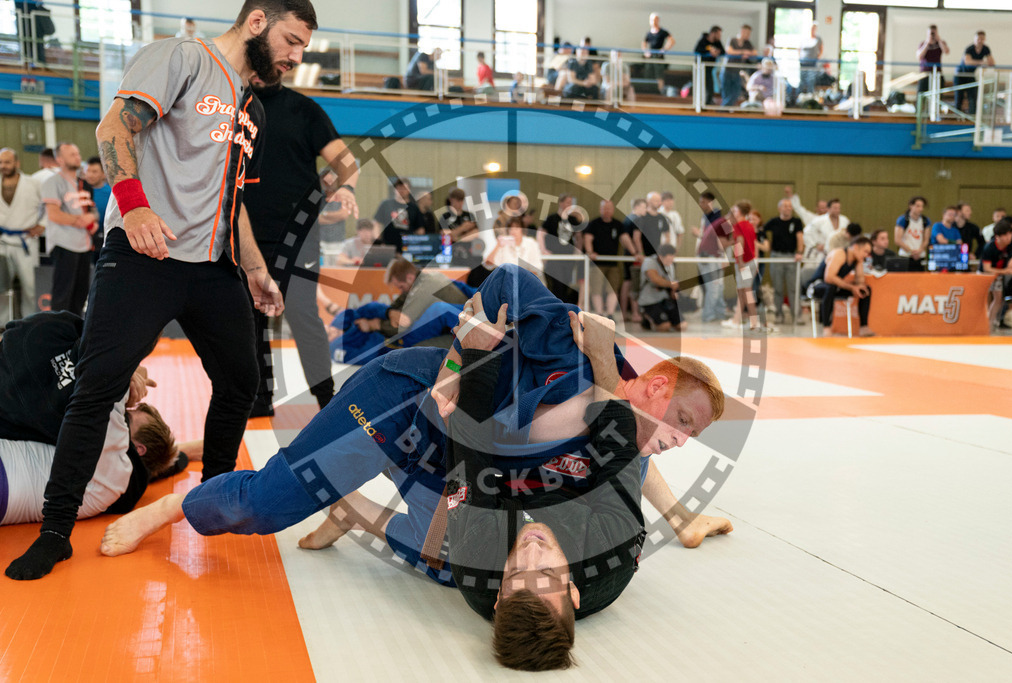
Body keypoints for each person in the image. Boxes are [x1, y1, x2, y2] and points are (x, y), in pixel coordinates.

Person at [98, 266, 730, 582]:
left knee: (458, 563)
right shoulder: (577, 342)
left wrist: (682, 520)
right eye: (680, 420)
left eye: (689, 436)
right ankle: (176, 507)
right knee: (261, 510)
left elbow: (633, 470)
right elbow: (507, 276)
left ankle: (349, 513)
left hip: (444, 458)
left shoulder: (624, 427)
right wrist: (457, 367)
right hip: (397, 409)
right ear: (653, 385)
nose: (677, 439)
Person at [5, 0, 316, 582]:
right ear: (258, 22)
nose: (296, 58)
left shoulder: (255, 110)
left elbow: (234, 202)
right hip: (145, 255)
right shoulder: (180, 58)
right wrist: (135, 206)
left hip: (213, 268)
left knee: (242, 383)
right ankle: (55, 530)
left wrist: (253, 269)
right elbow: (113, 127)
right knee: (96, 389)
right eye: (293, 41)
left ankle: (214, 502)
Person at [447, 306, 642, 670]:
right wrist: (602, 354)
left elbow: (467, 449)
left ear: (497, 596)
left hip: (500, 469)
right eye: (548, 573)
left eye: (518, 573)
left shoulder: (475, 559)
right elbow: (620, 451)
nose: (532, 551)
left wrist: (474, 354)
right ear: (574, 592)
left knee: (434, 389)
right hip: (585, 467)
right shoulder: (609, 553)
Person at [244, 80, 359, 416]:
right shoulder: (234, 104)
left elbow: (346, 161)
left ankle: (327, 399)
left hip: (298, 234)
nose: (290, 59)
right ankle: (260, 398)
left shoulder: (304, 109)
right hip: (245, 231)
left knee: (303, 315)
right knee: (251, 319)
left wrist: (347, 188)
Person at [0, 311, 180, 526]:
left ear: (138, 449)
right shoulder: (109, 475)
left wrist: (125, 373)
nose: (123, 411)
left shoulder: (115, 471)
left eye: (126, 418)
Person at [40, 142, 98, 316]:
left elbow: (93, 210)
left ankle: (74, 335)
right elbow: (54, 215)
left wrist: (91, 218)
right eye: (72, 154)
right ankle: (56, 336)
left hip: (85, 244)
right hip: (64, 244)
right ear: (60, 159)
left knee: (80, 296)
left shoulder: (84, 183)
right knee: (62, 295)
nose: (77, 157)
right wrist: (79, 220)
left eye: (78, 153)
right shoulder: (52, 182)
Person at [0, 148, 44, 323]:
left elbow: (50, 205)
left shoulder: (33, 183)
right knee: (1, 287)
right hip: (2, 242)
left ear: (17, 163)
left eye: (7, 162)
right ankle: (2, 325)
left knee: (30, 288)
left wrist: (43, 225)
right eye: (1, 162)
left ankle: (30, 323)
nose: (3, 166)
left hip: (26, 241)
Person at [820, 236, 873, 337]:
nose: (866, 255)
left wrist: (859, 286)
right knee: (830, 287)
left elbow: (860, 281)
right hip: (818, 284)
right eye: (865, 252)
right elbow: (829, 277)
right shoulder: (839, 253)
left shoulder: (857, 259)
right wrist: (852, 287)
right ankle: (826, 327)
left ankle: (864, 327)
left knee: (866, 289)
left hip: (835, 286)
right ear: (856, 247)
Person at [691, 191, 731, 323]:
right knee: (713, 288)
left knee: (719, 287)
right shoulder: (723, 223)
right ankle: (708, 316)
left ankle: (719, 313)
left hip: (712, 257)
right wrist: (725, 258)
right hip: (709, 257)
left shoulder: (719, 219)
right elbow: (722, 243)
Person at [582, 199, 627, 317]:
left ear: (612, 210)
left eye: (609, 208)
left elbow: (625, 239)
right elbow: (588, 239)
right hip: (597, 263)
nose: (607, 211)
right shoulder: (594, 224)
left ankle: (610, 314)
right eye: (604, 208)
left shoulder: (618, 225)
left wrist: (636, 252)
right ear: (600, 209)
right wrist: (590, 252)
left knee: (612, 288)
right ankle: (599, 313)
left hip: (613, 263)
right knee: (596, 288)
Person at [722, 201, 761, 332]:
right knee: (745, 291)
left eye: (735, 210)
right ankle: (744, 319)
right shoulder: (749, 225)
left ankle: (746, 320)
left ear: (739, 212)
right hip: (751, 261)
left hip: (745, 262)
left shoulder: (739, 225)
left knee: (745, 291)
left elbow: (740, 242)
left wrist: (740, 261)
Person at [764, 198, 804, 325]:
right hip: (777, 256)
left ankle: (796, 315)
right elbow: (762, 231)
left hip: (791, 257)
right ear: (780, 208)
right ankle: (778, 314)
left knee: (793, 288)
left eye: (789, 206)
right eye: (785, 206)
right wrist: (767, 244)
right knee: (778, 288)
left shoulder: (796, 222)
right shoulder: (774, 222)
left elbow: (800, 238)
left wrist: (799, 252)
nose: (787, 208)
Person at [538, 193, 580, 305]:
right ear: (561, 203)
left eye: (571, 203)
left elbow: (579, 237)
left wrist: (578, 250)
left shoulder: (573, 219)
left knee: (566, 283)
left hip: (568, 258)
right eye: (567, 202)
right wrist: (543, 250)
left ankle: (563, 308)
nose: (569, 205)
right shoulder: (551, 219)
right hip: (554, 258)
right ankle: (558, 307)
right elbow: (540, 233)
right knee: (557, 284)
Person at [980, 219, 1012, 329]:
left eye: (1010, 234)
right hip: (985, 275)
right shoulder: (989, 248)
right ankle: (984, 324)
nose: (1009, 237)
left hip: (999, 275)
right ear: (998, 237)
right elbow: (986, 269)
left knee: (998, 298)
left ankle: (990, 324)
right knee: (984, 299)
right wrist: (1005, 271)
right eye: (1005, 235)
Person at [639, 244, 685, 332]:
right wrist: (671, 284)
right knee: (664, 326)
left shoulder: (670, 266)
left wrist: (673, 291)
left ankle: (667, 320)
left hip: (664, 299)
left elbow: (672, 283)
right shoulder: (649, 261)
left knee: (682, 325)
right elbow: (655, 279)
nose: (673, 258)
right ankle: (647, 319)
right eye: (671, 255)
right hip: (650, 301)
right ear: (662, 256)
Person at [803, 199, 848, 286]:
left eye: (839, 208)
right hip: (822, 254)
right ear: (828, 208)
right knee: (820, 277)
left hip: (839, 254)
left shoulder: (844, 220)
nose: (837, 210)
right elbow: (807, 233)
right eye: (835, 208)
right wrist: (815, 245)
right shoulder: (819, 220)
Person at [374, 177, 424, 251]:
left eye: (404, 188)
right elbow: (377, 224)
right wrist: (378, 242)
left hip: (407, 247)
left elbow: (420, 229)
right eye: (399, 188)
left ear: (409, 190)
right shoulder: (386, 204)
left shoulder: (414, 208)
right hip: (388, 245)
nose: (401, 191)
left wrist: (417, 244)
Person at [953, 31, 994, 114]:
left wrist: (981, 62)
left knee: (973, 97)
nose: (980, 41)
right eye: (978, 38)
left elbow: (991, 62)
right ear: (975, 39)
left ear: (984, 39)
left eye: (982, 39)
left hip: (970, 75)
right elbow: (967, 61)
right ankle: (956, 117)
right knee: (959, 97)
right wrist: (982, 62)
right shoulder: (969, 49)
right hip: (960, 75)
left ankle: (972, 117)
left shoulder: (986, 49)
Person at [722, 25, 757, 107]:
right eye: (747, 33)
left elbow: (755, 53)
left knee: (736, 92)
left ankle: (723, 109)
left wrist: (744, 52)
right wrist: (743, 52)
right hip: (728, 70)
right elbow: (729, 51)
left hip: (738, 71)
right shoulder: (732, 40)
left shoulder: (747, 43)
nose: (749, 35)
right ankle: (724, 110)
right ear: (742, 31)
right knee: (726, 93)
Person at [82, 156, 111, 254]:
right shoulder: (78, 191)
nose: (90, 175)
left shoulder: (111, 193)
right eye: (88, 171)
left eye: (94, 172)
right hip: (82, 239)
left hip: (104, 240)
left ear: (103, 174)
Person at [894, 196, 931, 272]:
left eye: (922, 206)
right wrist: (911, 251)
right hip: (905, 255)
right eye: (917, 206)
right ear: (911, 206)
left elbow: (926, 239)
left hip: (920, 255)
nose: (920, 209)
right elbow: (897, 240)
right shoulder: (903, 220)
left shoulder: (925, 221)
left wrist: (920, 250)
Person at [641, 13, 674, 95]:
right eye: (652, 20)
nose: (654, 21)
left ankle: (660, 92)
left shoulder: (663, 32)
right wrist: (646, 52)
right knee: (648, 74)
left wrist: (664, 49)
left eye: (655, 20)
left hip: (659, 56)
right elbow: (643, 43)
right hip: (650, 56)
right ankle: (648, 91)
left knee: (659, 75)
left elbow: (672, 40)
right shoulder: (649, 33)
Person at [694, 26, 724, 105]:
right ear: (713, 33)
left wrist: (717, 51)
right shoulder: (703, 40)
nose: (720, 37)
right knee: (705, 86)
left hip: (710, 68)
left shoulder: (717, 42)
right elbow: (697, 50)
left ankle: (707, 102)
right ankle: (703, 103)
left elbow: (723, 51)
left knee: (710, 85)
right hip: (701, 67)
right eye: (718, 34)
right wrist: (709, 51)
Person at [916, 25, 949, 94]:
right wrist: (927, 43)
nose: (932, 35)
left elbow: (946, 51)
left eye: (934, 33)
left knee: (938, 95)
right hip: (925, 74)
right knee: (921, 95)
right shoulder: (923, 44)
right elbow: (919, 56)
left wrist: (939, 40)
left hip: (937, 74)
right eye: (931, 33)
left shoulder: (941, 43)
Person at [799, 22, 823, 95]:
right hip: (803, 62)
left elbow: (821, 49)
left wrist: (818, 57)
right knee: (802, 81)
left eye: (814, 28)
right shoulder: (804, 38)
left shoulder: (818, 39)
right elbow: (799, 48)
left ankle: (810, 95)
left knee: (811, 80)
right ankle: (800, 96)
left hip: (812, 63)